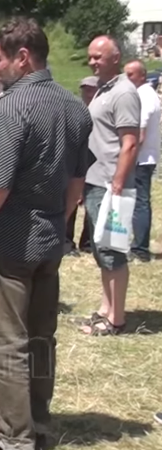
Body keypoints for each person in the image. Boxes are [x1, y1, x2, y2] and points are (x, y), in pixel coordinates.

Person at [0, 17, 92, 450]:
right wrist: (58, 221)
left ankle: (15, 440)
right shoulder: (74, 107)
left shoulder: (11, 109)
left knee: (5, 341)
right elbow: (77, 183)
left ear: (23, 57)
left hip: (11, 242)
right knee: (41, 336)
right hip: (49, 240)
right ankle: (39, 422)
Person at [80, 35, 141, 336]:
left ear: (115, 58)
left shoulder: (124, 92)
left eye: (98, 56)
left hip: (110, 185)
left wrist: (117, 182)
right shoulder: (103, 90)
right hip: (96, 181)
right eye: (90, 56)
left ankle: (116, 319)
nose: (92, 61)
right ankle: (106, 309)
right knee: (101, 250)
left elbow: (130, 143)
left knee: (112, 250)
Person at [123, 59, 160, 262]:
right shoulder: (147, 94)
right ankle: (138, 245)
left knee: (140, 202)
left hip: (141, 158)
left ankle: (140, 248)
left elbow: (140, 133)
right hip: (145, 156)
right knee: (140, 201)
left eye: (130, 74)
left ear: (142, 75)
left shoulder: (144, 97)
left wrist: (128, 157)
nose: (126, 78)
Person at [65, 76, 100, 256]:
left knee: (91, 201)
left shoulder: (101, 107)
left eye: (91, 88)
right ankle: (66, 242)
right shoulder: (76, 108)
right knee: (71, 198)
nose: (88, 92)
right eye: (85, 88)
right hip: (77, 157)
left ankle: (87, 242)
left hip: (97, 160)